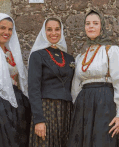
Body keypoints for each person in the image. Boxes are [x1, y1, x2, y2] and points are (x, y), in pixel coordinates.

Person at [67, 9, 119, 147]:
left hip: (105, 102)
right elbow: (76, 85)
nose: (91, 26)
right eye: (88, 23)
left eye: (95, 23)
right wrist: (78, 105)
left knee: (103, 141)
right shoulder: (82, 56)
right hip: (83, 105)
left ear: (102, 26)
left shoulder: (112, 51)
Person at [28, 18, 74, 147]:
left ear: (61, 31)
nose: (53, 33)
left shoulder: (69, 58)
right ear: (44, 32)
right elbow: (33, 89)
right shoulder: (37, 56)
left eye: (57, 29)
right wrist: (38, 120)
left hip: (65, 111)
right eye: (49, 29)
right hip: (46, 110)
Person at [0, 13, 31, 147]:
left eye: (10, 29)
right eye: (2, 28)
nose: (7, 32)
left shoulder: (10, 53)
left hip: (16, 101)